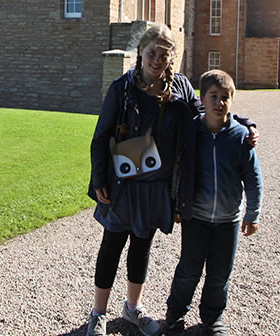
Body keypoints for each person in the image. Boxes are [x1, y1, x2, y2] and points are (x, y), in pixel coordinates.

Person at [86, 25, 255, 336]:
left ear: (171, 57)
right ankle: (98, 313)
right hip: (122, 185)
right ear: (141, 52)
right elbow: (101, 138)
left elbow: (208, 113)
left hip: (156, 186)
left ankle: (132, 307)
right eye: (152, 53)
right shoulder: (121, 88)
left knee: (141, 247)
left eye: (164, 55)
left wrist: (243, 123)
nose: (157, 60)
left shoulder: (179, 87)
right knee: (111, 247)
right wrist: (99, 178)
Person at [164, 69, 263, 336]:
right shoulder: (192, 131)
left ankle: (213, 317)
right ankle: (174, 315)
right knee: (188, 270)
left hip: (227, 220)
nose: (219, 103)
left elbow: (253, 178)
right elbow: (179, 169)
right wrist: (177, 205)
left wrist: (252, 213)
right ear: (203, 98)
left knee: (219, 275)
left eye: (225, 98)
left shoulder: (240, 136)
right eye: (214, 96)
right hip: (195, 217)